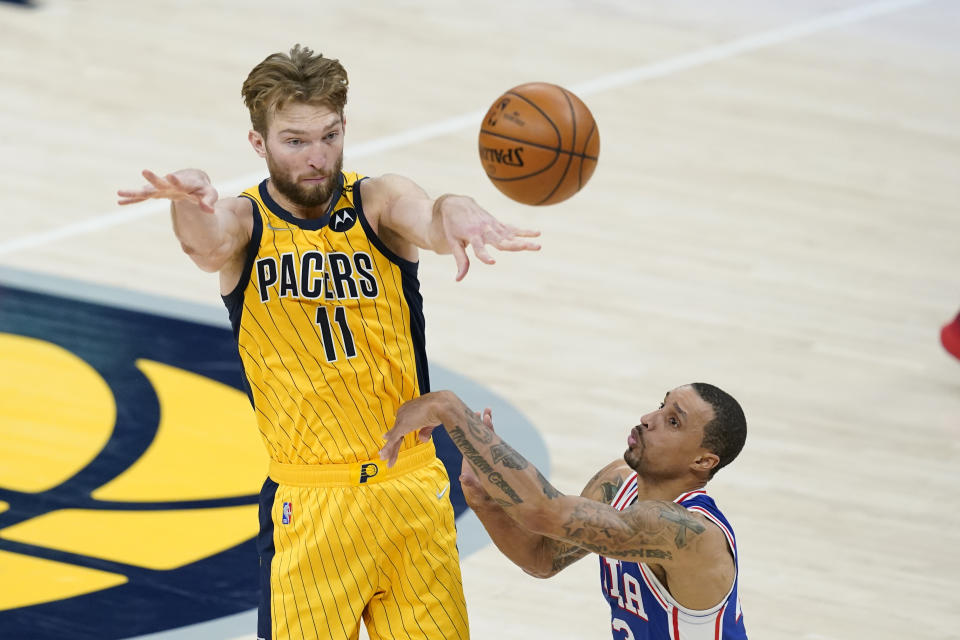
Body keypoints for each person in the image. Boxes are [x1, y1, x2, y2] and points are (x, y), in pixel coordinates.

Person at [117, 44, 540, 640]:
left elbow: (431, 215)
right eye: (295, 141)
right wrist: (189, 202)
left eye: (330, 136)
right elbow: (204, 244)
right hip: (312, 504)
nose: (317, 157)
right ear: (258, 144)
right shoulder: (244, 224)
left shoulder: (379, 201)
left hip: (411, 490)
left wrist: (459, 209)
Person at [380, 382, 748, 639]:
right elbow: (542, 558)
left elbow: (544, 510)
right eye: (661, 404)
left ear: (703, 460)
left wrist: (449, 409)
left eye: (673, 421)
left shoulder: (689, 534)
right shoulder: (618, 483)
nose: (648, 418)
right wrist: (483, 498)